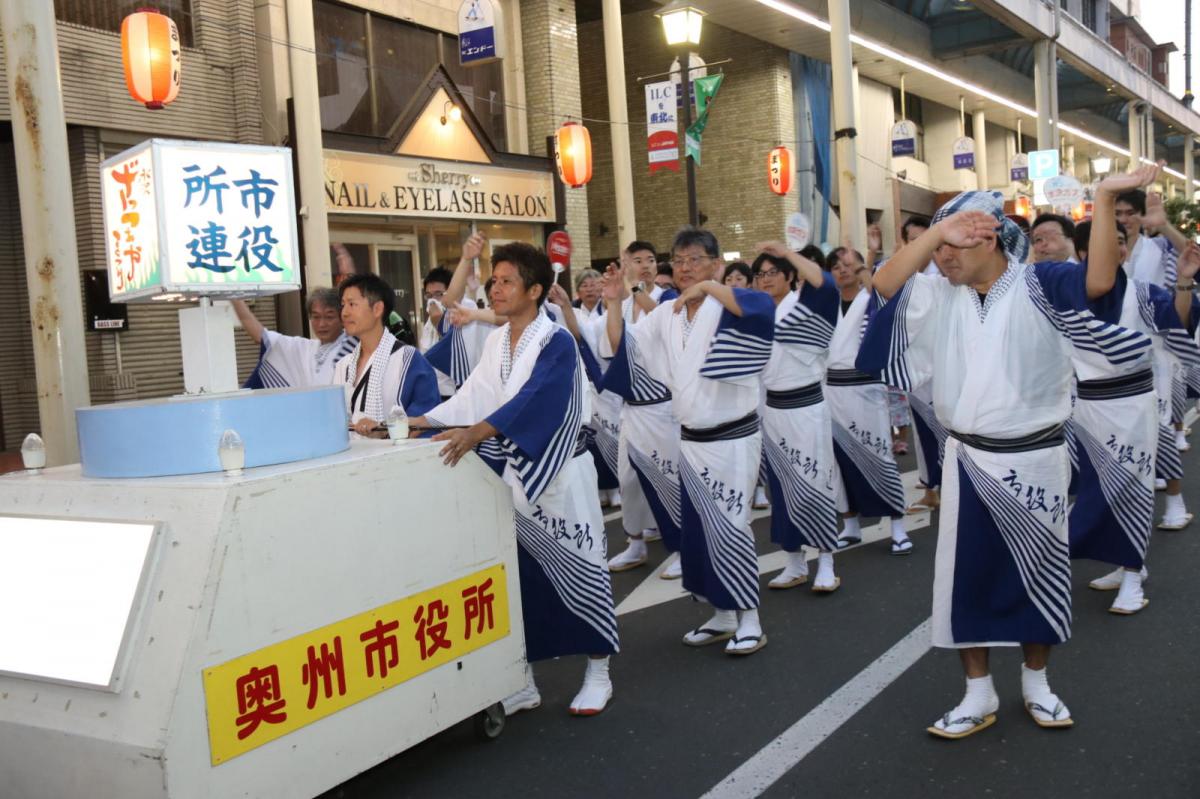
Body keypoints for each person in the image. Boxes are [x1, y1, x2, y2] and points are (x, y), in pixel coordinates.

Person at [858, 168, 1158, 740]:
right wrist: (938, 230)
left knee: (1037, 574)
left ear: (988, 238)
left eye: (950, 247)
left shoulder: (1039, 284)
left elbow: (1097, 281)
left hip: (1036, 457)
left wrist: (1103, 196)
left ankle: (1037, 681)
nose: (939, 260)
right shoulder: (940, 294)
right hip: (967, 459)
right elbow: (887, 284)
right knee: (964, 578)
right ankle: (977, 692)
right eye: (935, 247)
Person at [408, 242, 619, 717]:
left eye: (505, 281)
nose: (495, 289)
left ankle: (599, 671)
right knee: (522, 578)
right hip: (517, 476)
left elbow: (536, 399)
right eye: (494, 281)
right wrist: (417, 421)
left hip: (561, 471)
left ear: (536, 290)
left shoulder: (557, 341)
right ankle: (522, 678)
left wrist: (478, 431)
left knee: (583, 567)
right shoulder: (500, 342)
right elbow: (473, 396)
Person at [602, 227, 775, 655]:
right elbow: (624, 347)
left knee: (731, 526)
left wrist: (708, 286)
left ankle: (750, 617)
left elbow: (760, 308)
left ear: (716, 264)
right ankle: (720, 614)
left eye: (695, 259)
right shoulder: (668, 312)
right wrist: (612, 301)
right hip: (690, 438)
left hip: (733, 436)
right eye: (678, 261)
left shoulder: (732, 300)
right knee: (698, 531)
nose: (684, 268)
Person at [1068, 220, 1199, 613]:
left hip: (1133, 402)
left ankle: (1132, 572)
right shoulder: (1067, 294)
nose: (1114, 249)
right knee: (1097, 490)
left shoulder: (1142, 291)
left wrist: (1184, 283)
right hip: (1086, 408)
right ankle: (1123, 563)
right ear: (1082, 253)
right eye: (1102, 244)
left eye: (1119, 242)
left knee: (1134, 487)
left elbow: (1173, 323)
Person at [752, 243, 842, 591]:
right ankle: (793, 561)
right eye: (759, 274)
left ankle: (826, 561)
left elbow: (827, 285)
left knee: (815, 482)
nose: (765, 279)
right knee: (781, 486)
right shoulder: (757, 315)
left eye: (773, 272)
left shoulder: (806, 306)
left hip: (806, 407)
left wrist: (788, 253)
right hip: (772, 410)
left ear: (790, 276)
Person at [824, 246, 910, 559]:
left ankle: (898, 527)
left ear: (861, 268)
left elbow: (881, 292)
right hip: (832, 390)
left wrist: (869, 261)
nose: (841, 269)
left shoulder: (870, 299)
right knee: (838, 463)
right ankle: (850, 524)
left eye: (848, 264)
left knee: (880, 456)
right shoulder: (826, 303)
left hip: (866, 388)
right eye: (835, 265)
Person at [333, 273, 441, 437]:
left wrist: (384, 431)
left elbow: (426, 420)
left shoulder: (409, 359)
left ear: (377, 309)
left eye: (352, 304)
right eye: (343, 305)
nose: (344, 312)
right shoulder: (343, 365)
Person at [236, 289, 355, 389]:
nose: (322, 324)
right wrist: (234, 297)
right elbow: (258, 334)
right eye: (316, 317)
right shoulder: (303, 348)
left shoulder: (353, 345)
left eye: (329, 317)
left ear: (342, 318)